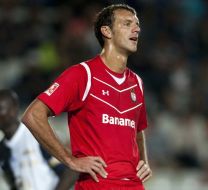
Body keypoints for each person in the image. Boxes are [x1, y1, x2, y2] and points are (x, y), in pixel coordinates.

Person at [22, 3, 152, 190]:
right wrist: (69, 160)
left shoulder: (136, 82)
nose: (137, 28)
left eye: (137, 24)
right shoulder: (83, 74)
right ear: (107, 31)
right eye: (127, 23)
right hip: (97, 184)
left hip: (134, 185)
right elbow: (33, 116)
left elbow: (137, 129)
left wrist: (144, 160)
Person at [0, 89, 77, 190]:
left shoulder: (35, 135)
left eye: (0, 109)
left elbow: (71, 171)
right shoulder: (2, 150)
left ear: (14, 109)